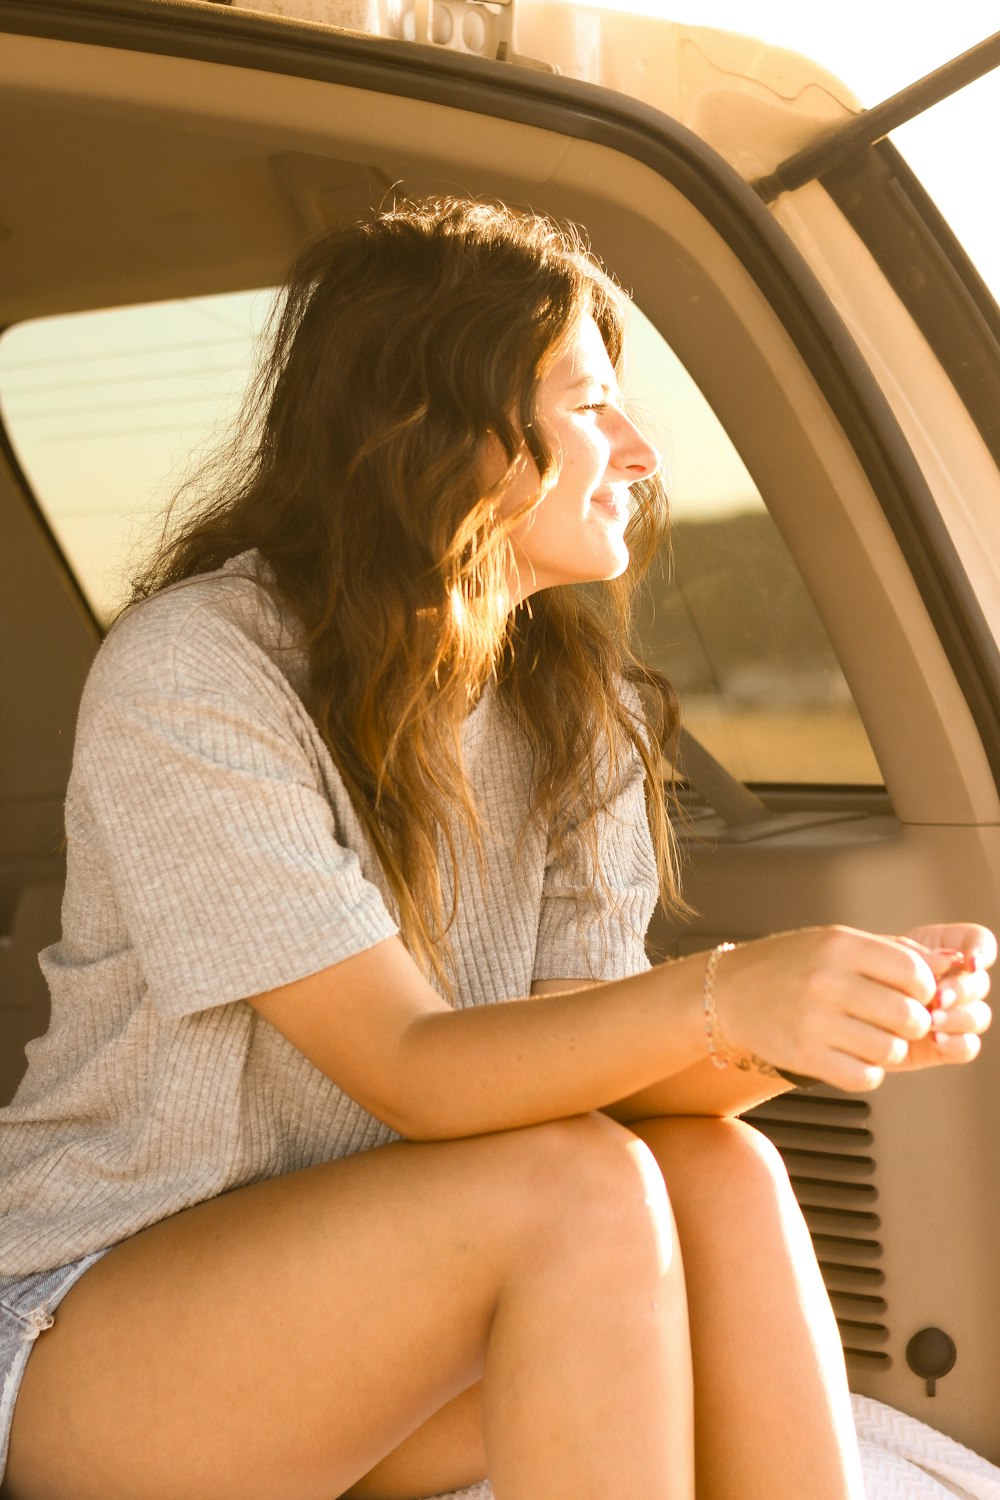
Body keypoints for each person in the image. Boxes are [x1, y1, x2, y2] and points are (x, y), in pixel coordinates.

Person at [0, 197, 991, 1500]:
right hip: (107, 1320)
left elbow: (589, 1056)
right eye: (589, 405)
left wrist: (795, 1028)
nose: (639, 449)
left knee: (720, 1165)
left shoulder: (583, 709)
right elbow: (412, 1070)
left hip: (406, 1315)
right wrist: (724, 991)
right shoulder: (197, 674)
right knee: (573, 1193)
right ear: (432, 428)